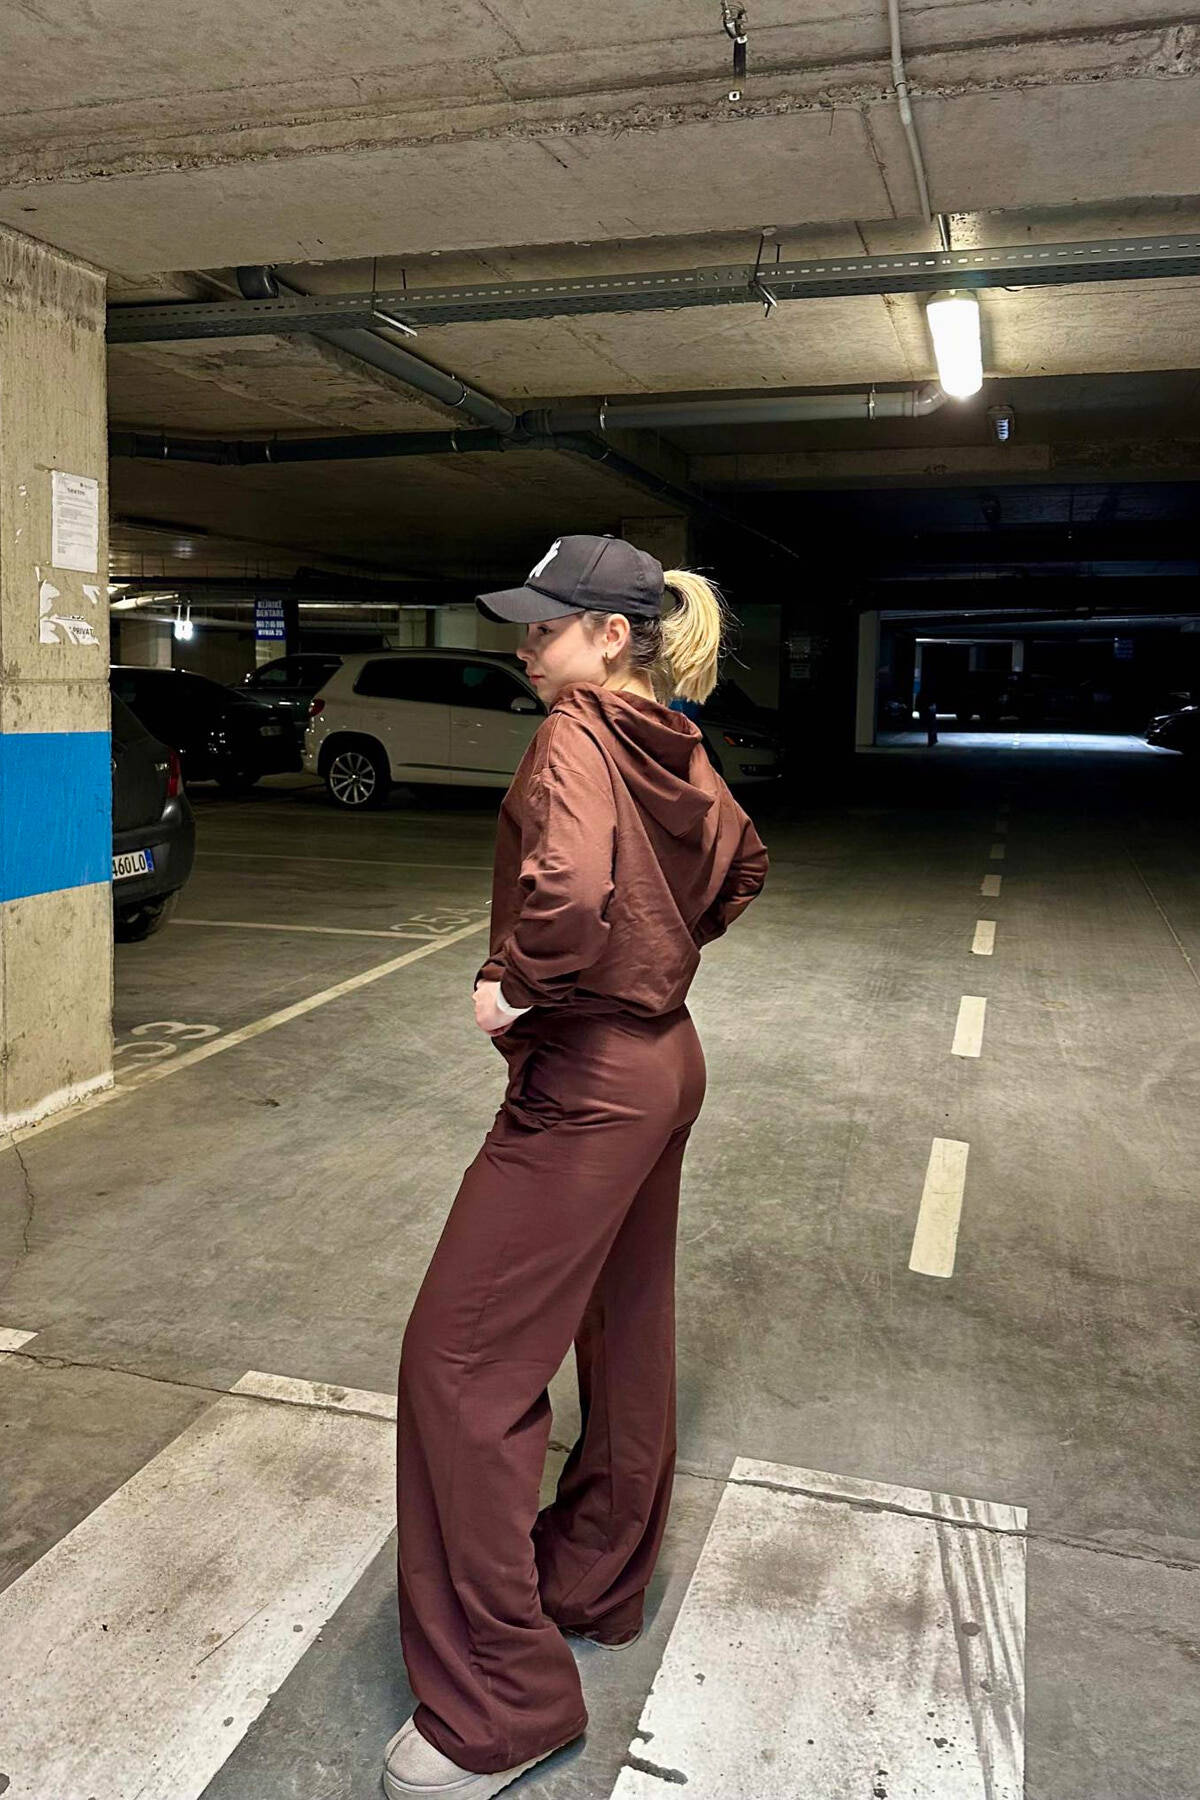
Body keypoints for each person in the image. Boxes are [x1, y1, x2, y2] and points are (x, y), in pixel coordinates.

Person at [384, 534, 769, 1800]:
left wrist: (513, 984)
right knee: (624, 1323)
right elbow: (742, 864)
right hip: (666, 1062)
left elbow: (568, 893)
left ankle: (499, 1706)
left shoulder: (577, 733)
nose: (524, 645)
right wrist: (661, 946)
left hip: (590, 1078)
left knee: (457, 1365)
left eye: (546, 626)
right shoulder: (675, 739)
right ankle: (594, 1578)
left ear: (612, 636)